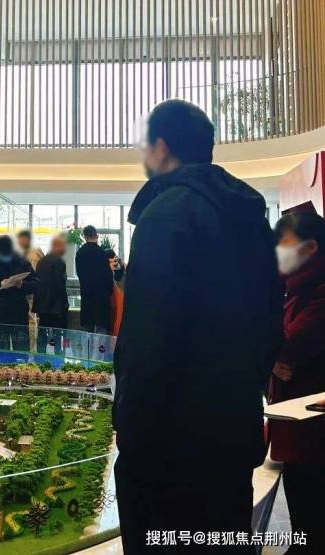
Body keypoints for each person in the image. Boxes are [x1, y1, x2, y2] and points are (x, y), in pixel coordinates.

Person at [113, 99, 282, 554]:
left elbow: (148, 342)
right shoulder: (249, 216)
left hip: (171, 450)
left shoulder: (165, 216)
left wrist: (131, 429)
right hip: (231, 433)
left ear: (162, 147)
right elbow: (271, 320)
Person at [268, 212, 325, 554]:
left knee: (312, 514)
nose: (277, 253)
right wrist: (272, 362)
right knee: (303, 512)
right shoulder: (295, 288)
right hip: (296, 425)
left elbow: (291, 343)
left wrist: (271, 356)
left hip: (312, 428)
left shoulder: (317, 293)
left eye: (283, 245)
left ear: (310, 248)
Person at [0, 235, 38, 352]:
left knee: (21, 350)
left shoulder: (22, 262)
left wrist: (22, 285)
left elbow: (35, 283)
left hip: (18, 313)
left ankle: (20, 364)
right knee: (0, 350)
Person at [33, 235, 69, 353]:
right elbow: (60, 285)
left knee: (42, 335)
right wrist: (65, 305)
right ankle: (58, 359)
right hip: (57, 308)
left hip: (43, 306)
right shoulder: (59, 261)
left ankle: (41, 358)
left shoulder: (41, 261)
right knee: (59, 338)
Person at [75, 225, 114, 334]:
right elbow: (108, 277)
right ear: (96, 235)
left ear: (85, 236)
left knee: (87, 331)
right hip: (101, 298)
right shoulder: (101, 253)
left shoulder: (80, 253)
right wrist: (109, 292)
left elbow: (80, 274)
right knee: (101, 331)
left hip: (86, 295)